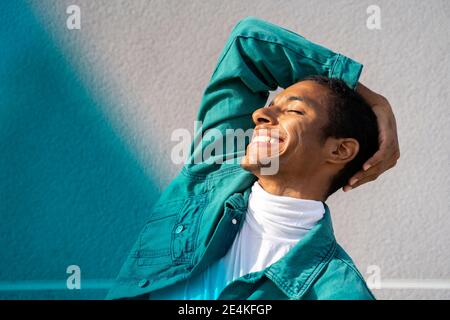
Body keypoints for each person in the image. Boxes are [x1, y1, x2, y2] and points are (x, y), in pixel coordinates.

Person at [107, 16, 399, 300]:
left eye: (294, 111)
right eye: (271, 106)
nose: (260, 115)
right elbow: (248, 42)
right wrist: (374, 99)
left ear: (339, 150)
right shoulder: (214, 167)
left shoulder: (337, 290)